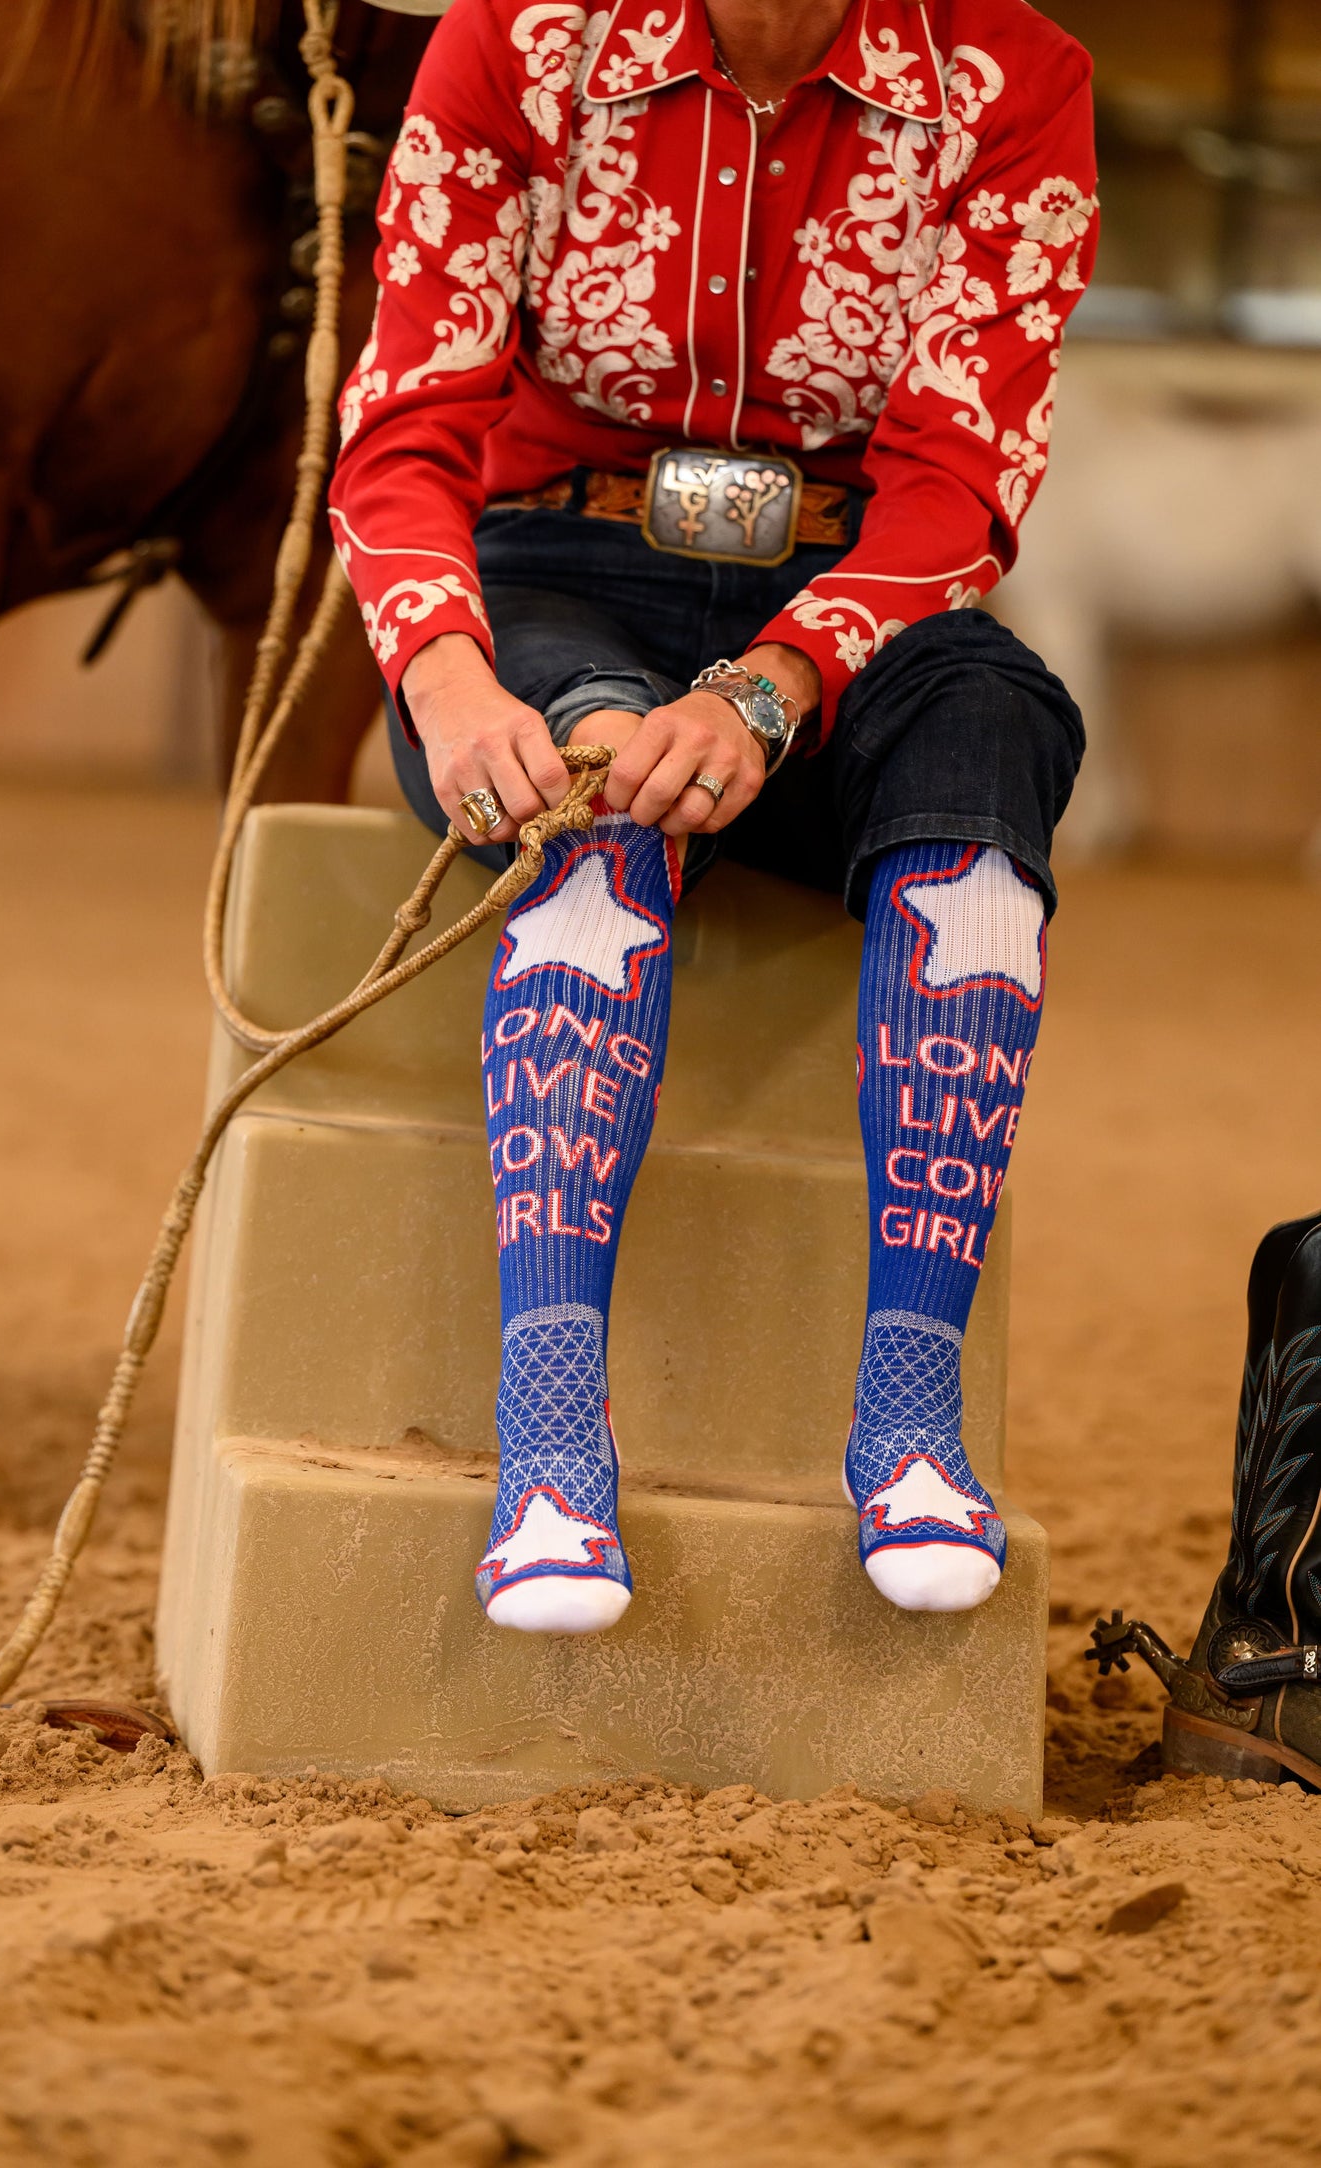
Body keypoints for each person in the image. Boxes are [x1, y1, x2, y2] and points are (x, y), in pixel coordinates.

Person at [330, 0, 1094, 1632]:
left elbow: (963, 473)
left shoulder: (1009, 79)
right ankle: (547, 1443)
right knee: (587, 786)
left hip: (848, 599)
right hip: (549, 580)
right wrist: (448, 680)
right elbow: (404, 423)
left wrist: (771, 686)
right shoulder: (516, 44)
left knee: (990, 733)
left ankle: (907, 1417)